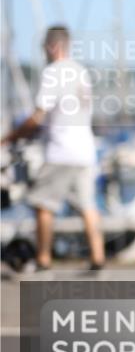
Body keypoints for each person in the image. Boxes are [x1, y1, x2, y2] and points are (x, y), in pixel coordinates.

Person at [1, 25, 105, 271]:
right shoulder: (81, 72)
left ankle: (43, 258)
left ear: (52, 46)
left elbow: (38, 115)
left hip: (60, 150)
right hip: (85, 151)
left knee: (43, 204)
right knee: (88, 206)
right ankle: (98, 257)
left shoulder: (53, 72)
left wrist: (9, 137)